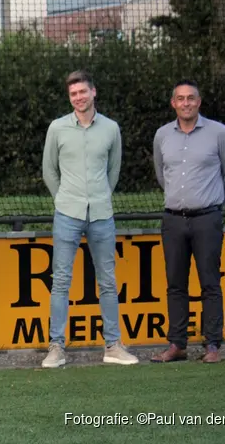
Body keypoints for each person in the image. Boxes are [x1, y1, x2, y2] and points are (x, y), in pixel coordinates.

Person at [41, 70, 138, 368]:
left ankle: (113, 346)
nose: (79, 98)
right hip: (66, 214)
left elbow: (114, 171)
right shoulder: (57, 128)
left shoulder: (111, 128)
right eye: (73, 94)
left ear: (94, 92)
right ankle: (56, 348)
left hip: (101, 216)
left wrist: (100, 197)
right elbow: (49, 171)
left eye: (83, 92)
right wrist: (63, 200)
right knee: (61, 282)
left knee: (107, 281)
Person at [151, 80, 225, 364]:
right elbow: (161, 175)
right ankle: (177, 345)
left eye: (191, 98)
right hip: (173, 220)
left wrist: (212, 205)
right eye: (180, 98)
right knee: (175, 284)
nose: (186, 103)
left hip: (207, 219)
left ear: (199, 102)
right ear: (173, 103)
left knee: (210, 283)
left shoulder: (218, 133)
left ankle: (212, 345)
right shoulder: (162, 135)